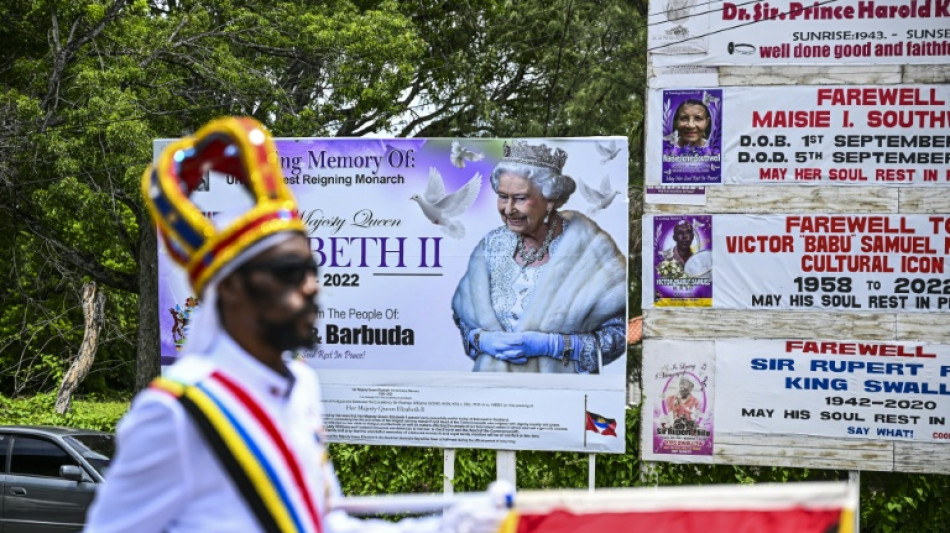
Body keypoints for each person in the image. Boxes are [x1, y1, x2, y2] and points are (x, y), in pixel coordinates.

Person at [85, 117, 509, 533]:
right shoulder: (175, 413)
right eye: (289, 271)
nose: (310, 286)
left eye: (310, 269)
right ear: (231, 287)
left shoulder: (301, 387)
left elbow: (323, 524)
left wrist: (450, 527)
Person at [451, 140, 626, 374]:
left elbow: (619, 335)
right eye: (503, 196)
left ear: (550, 200)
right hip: (492, 396)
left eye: (520, 198)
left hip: (560, 398)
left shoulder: (589, 248)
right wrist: (481, 340)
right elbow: (464, 320)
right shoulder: (491, 246)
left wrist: (555, 346)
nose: (508, 208)